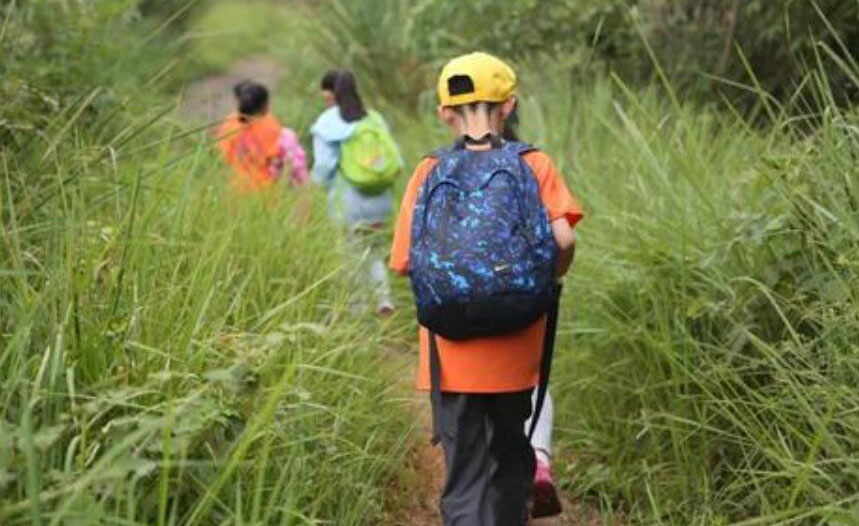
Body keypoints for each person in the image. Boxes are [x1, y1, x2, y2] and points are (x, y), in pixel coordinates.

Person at [389, 52, 582, 526]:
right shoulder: (534, 164)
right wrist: (547, 275)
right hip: (516, 349)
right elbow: (565, 238)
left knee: (465, 476)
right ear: (509, 105)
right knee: (510, 459)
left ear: (444, 112)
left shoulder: (429, 170)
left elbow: (403, 262)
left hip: (450, 357)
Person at [311, 69, 401, 315]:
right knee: (374, 249)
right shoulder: (374, 118)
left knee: (351, 254)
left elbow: (324, 165)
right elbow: (394, 157)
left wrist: (312, 188)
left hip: (348, 201)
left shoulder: (327, 122)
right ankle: (384, 300)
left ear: (330, 92)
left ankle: (358, 307)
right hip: (379, 199)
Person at [217, 81, 308, 193]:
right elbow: (277, 158)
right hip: (266, 189)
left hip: (238, 187)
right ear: (265, 106)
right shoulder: (270, 125)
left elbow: (226, 157)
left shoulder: (229, 124)